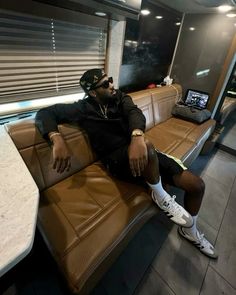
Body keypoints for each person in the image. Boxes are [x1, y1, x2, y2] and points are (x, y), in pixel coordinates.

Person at [35, 68, 217, 259]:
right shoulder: (81, 109)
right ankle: (161, 195)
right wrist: (56, 137)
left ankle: (190, 231)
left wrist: (137, 135)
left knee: (197, 185)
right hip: (115, 161)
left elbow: (134, 113)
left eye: (110, 80)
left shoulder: (120, 98)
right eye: (105, 84)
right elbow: (45, 113)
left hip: (140, 149)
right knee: (147, 147)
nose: (112, 85)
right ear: (92, 92)